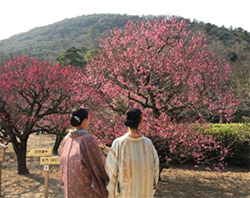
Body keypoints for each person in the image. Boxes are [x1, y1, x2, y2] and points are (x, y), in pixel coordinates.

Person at [105, 108, 159, 198]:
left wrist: (112, 192)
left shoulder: (119, 143)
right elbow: (155, 169)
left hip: (125, 193)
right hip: (144, 192)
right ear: (140, 123)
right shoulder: (148, 143)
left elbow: (110, 171)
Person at [59, 107, 109, 198]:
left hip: (71, 188)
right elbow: (101, 164)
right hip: (86, 190)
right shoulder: (87, 139)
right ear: (85, 121)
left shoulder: (67, 139)